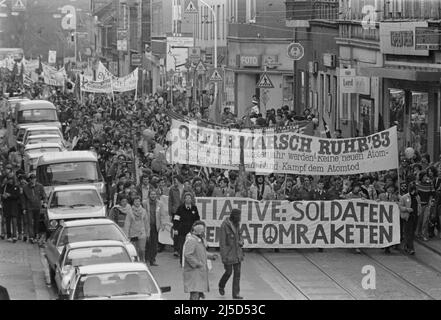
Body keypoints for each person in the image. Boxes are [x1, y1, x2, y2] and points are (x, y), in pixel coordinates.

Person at [182, 221, 217, 300]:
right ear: (199, 232)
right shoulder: (192, 240)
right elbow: (187, 254)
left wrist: (211, 256)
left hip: (198, 273)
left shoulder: (198, 240)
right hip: (193, 273)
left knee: (197, 294)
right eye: (203, 231)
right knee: (194, 295)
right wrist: (197, 264)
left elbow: (202, 253)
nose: (204, 233)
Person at [218, 209, 244, 300]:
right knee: (228, 272)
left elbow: (240, 236)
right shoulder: (224, 226)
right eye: (239, 216)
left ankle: (236, 294)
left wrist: (241, 241)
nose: (240, 218)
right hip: (228, 254)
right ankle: (221, 285)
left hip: (237, 253)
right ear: (234, 216)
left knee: (237, 274)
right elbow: (222, 243)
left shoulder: (237, 224)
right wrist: (224, 256)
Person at [173, 192, 200, 265]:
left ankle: (191, 262)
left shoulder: (194, 208)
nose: (188, 199)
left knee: (192, 247)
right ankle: (182, 262)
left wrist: (197, 228)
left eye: (189, 198)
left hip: (192, 232)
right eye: (186, 198)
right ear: (184, 199)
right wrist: (175, 229)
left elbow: (197, 219)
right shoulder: (180, 208)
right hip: (182, 231)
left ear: (191, 199)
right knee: (182, 247)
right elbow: (176, 219)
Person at [144, 189, 167, 266]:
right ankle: (146, 258)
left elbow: (163, 215)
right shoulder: (144, 203)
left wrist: (163, 224)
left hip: (155, 226)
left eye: (154, 194)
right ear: (149, 195)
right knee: (147, 243)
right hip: (146, 226)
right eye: (151, 194)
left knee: (154, 243)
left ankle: (152, 259)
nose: (153, 196)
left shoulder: (160, 204)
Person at [22, 174, 47, 244]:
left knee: (36, 222)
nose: (33, 180)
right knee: (30, 222)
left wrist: (45, 202)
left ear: (36, 179)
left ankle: (36, 235)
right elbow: (23, 199)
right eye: (32, 179)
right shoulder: (25, 188)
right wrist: (23, 208)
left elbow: (44, 195)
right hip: (29, 207)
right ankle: (31, 237)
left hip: (37, 207)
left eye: (34, 179)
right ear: (29, 180)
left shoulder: (40, 186)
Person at [123, 196, 149, 262]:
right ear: (133, 202)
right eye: (136, 201)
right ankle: (136, 262)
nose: (137, 203)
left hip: (142, 233)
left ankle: (143, 260)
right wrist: (126, 235)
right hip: (133, 233)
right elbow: (127, 223)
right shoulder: (130, 211)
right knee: (135, 250)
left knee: (142, 249)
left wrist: (148, 232)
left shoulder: (143, 211)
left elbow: (146, 223)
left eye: (138, 201)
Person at [399, 184, 421, 255]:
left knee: (412, 233)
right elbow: (400, 207)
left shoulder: (417, 197)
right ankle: (410, 248)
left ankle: (406, 245)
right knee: (409, 233)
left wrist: (419, 212)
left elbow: (419, 204)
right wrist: (407, 209)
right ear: (413, 190)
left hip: (415, 217)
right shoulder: (404, 197)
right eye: (416, 189)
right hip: (408, 217)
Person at [169, 175, 185, 257]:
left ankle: (182, 248)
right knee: (176, 231)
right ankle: (176, 249)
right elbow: (170, 201)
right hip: (176, 213)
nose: (174, 181)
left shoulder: (187, 189)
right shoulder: (172, 189)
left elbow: (192, 199)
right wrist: (170, 213)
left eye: (175, 180)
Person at [2, 173, 20, 242]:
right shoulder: (4, 187)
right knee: (8, 222)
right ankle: (9, 236)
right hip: (6, 206)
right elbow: (1, 196)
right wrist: (3, 196)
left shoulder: (16, 187)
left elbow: (17, 196)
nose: (10, 181)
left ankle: (15, 236)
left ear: (13, 179)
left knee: (14, 221)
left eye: (11, 179)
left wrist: (10, 195)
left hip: (14, 206)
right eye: (9, 179)